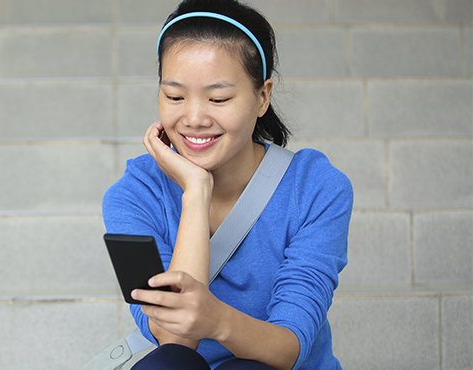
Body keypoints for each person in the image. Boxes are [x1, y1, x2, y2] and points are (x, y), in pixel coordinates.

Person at [101, 0, 353, 369]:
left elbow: (290, 348)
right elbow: (176, 340)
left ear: (262, 97)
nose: (194, 117)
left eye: (218, 98)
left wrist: (216, 319)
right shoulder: (134, 195)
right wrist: (195, 192)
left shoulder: (315, 187)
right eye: (174, 96)